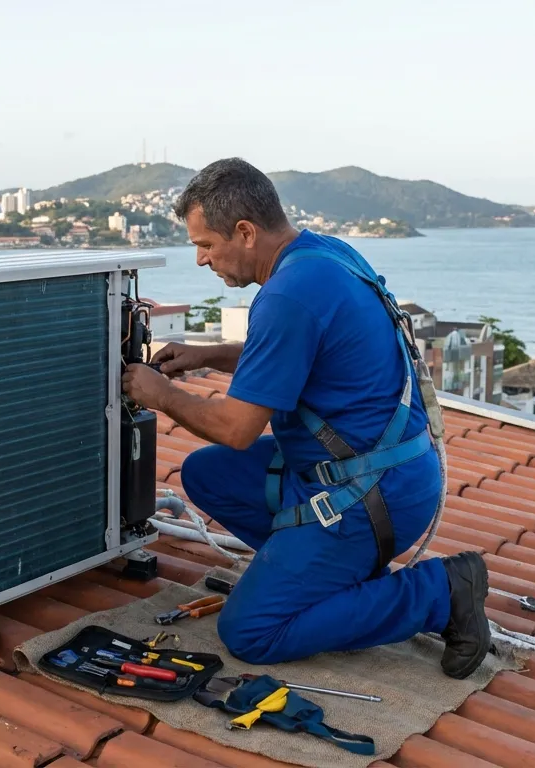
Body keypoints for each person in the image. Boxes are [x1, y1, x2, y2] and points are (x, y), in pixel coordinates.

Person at [121, 158, 490, 678]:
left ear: (245, 232)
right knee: (206, 474)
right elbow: (303, 351)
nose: (202, 260)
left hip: (369, 493)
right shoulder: (321, 254)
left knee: (249, 632)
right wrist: (210, 354)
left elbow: (235, 427)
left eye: (205, 245)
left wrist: (159, 394)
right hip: (376, 470)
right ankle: (317, 572)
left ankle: (440, 592)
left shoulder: (287, 295)